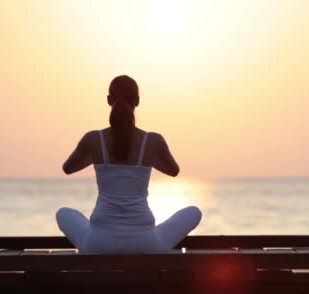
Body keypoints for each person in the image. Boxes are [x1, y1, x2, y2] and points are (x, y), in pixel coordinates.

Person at [56, 75, 202, 253]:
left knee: (63, 213)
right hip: (146, 242)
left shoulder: (93, 139)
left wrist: (98, 156)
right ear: (138, 101)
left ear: (109, 100)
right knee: (194, 212)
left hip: (98, 242)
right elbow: (173, 171)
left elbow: (68, 168)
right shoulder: (153, 140)